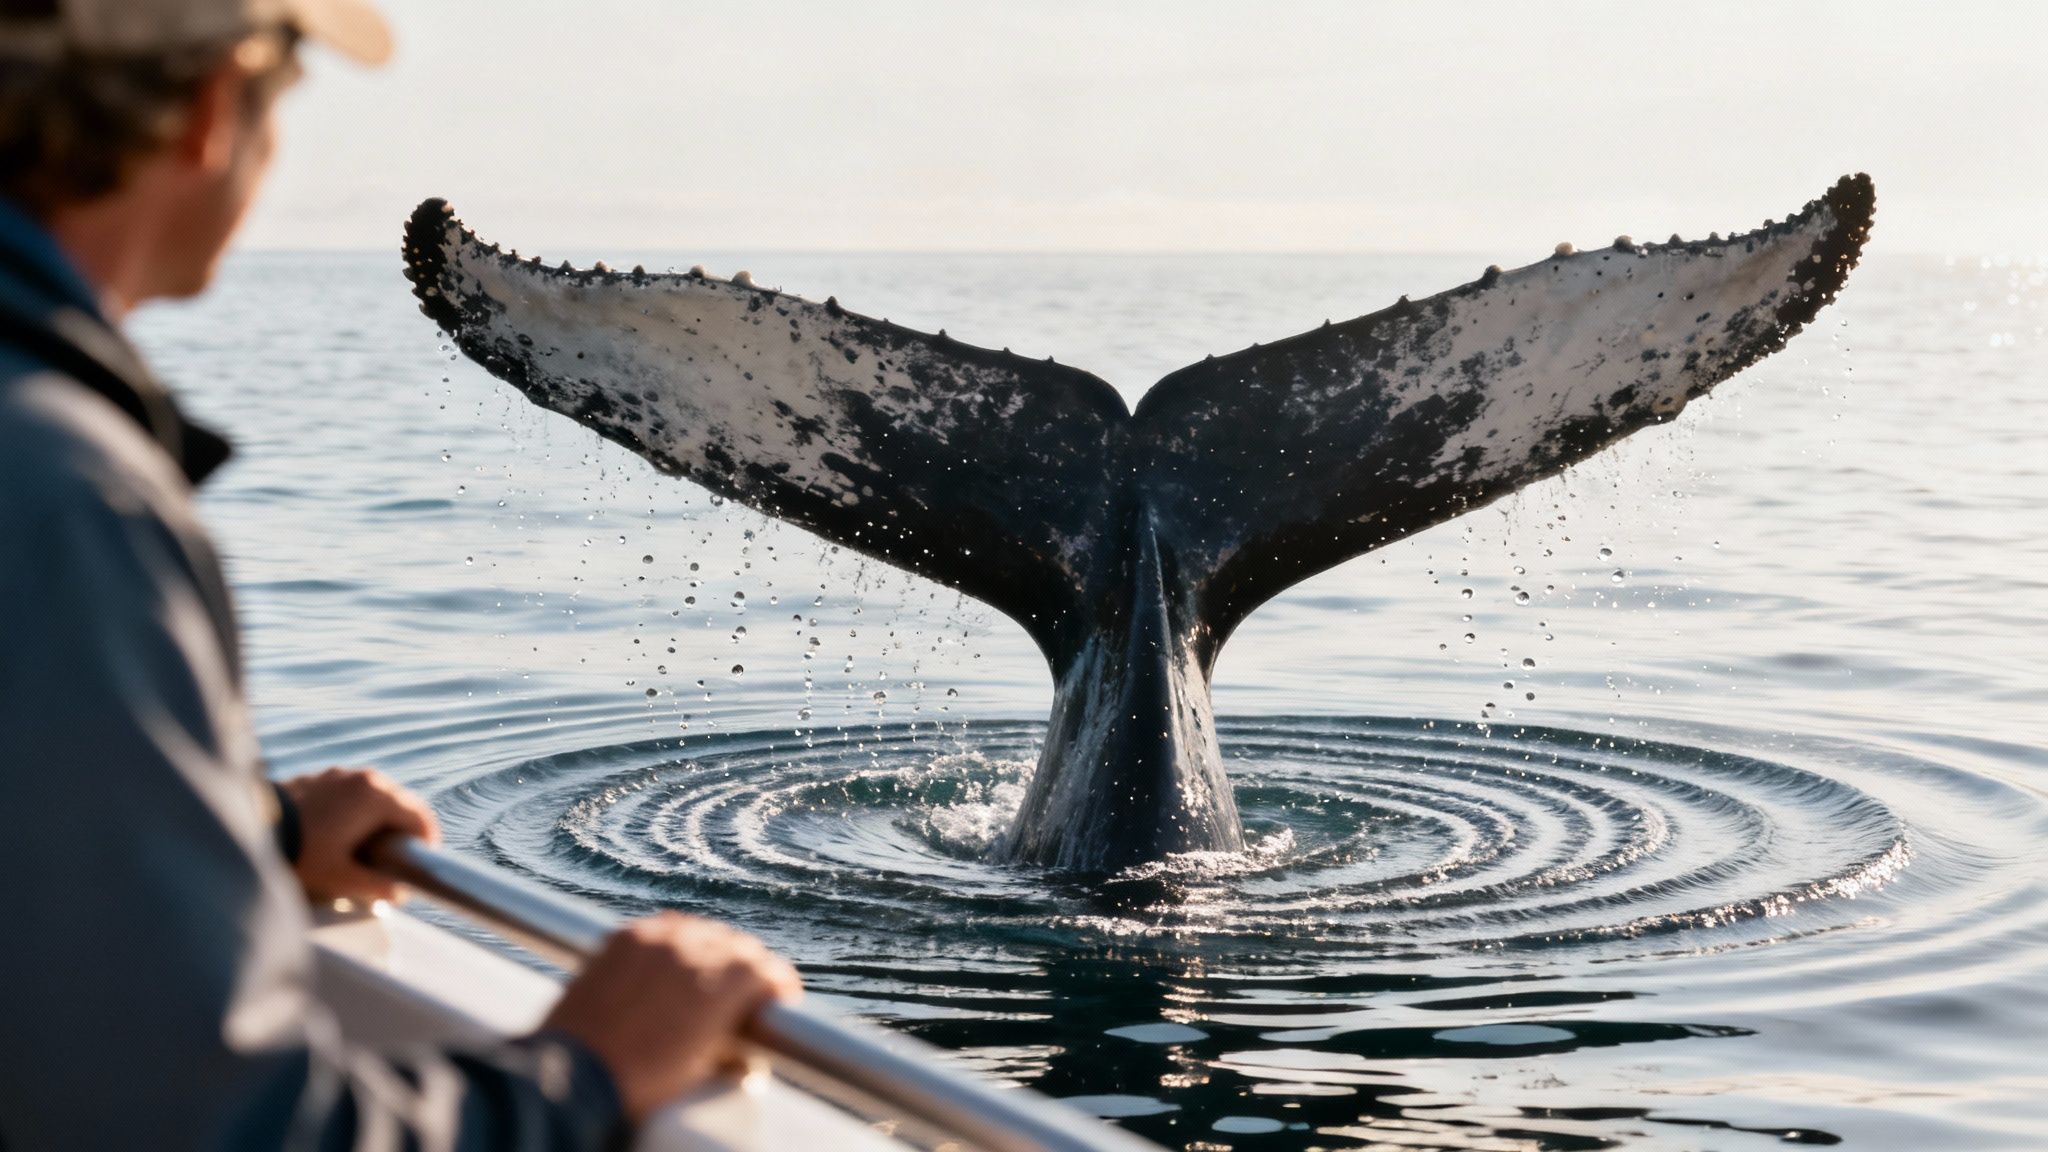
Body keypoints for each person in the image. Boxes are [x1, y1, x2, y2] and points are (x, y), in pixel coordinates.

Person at [0, 1, 802, 1148]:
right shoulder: (62, 498)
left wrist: (251, 835)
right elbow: (209, 1132)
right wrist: (584, 1072)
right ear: (213, 108)